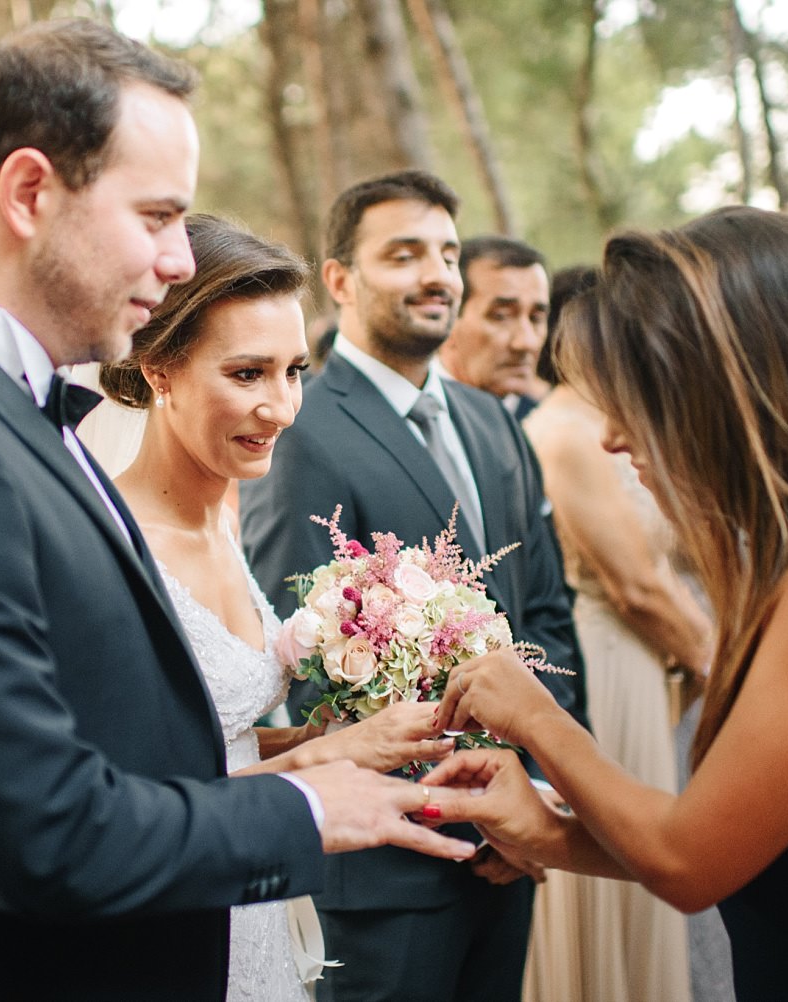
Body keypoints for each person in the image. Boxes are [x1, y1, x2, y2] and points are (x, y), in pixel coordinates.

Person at [0, 22, 472, 1002]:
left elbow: (104, 728)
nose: (181, 260)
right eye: (157, 217)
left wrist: (316, 750)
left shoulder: (12, 406)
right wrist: (309, 806)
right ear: (29, 193)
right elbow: (45, 833)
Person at [422, 206, 788, 1000]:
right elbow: (759, 847)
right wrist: (556, 833)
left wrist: (537, 717)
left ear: (737, 386)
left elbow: (688, 862)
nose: (612, 438)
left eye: (643, 396)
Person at [240, 169, 586, 1002]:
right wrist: (446, 799)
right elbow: (303, 650)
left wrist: (538, 790)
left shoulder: (493, 418)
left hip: (512, 839)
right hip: (388, 862)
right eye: (404, 255)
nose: (436, 275)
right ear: (340, 279)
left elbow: (542, 609)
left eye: (447, 254)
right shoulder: (301, 429)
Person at [102, 213, 460, 1001]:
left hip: (257, 901)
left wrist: (337, 736)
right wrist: (321, 764)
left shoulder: (228, 518)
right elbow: (127, 806)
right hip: (179, 929)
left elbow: (218, 741)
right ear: (160, 370)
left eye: (294, 370)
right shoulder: (118, 549)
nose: (282, 406)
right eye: (246, 374)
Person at [519, 268, 706, 1002]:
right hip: (605, 663)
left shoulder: (614, 425)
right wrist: (723, 671)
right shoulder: (565, 432)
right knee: (624, 851)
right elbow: (638, 586)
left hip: (639, 662)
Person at [438, 236, 549, 420]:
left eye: (536, 318)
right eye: (501, 317)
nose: (526, 342)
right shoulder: (415, 417)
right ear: (448, 319)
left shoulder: (545, 427)